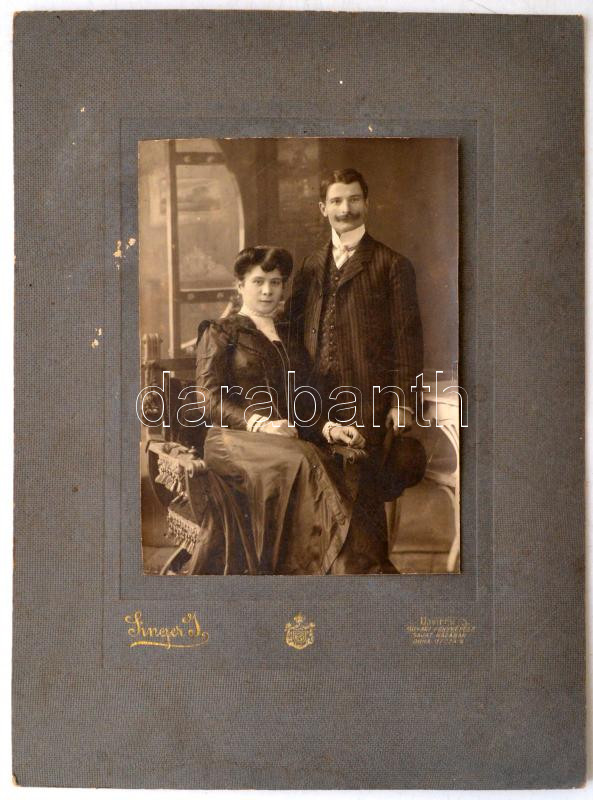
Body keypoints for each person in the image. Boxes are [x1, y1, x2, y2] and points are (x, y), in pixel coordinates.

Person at [193, 245, 366, 575]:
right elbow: (207, 399)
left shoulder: (288, 336)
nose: (267, 291)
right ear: (240, 285)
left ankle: (339, 566)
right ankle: (341, 566)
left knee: (317, 456)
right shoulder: (220, 332)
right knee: (301, 458)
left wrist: (328, 428)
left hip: (283, 441)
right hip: (232, 440)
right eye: (258, 282)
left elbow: (300, 403)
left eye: (275, 282)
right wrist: (260, 424)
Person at [285, 168, 425, 573]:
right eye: (336, 201)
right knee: (317, 486)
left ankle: (369, 571)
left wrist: (402, 402)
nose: (345, 209)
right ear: (322, 208)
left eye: (353, 199)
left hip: (368, 398)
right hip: (317, 401)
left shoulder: (391, 265)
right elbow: (293, 331)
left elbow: (408, 340)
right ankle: (326, 571)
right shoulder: (311, 265)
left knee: (359, 482)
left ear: (367, 203)